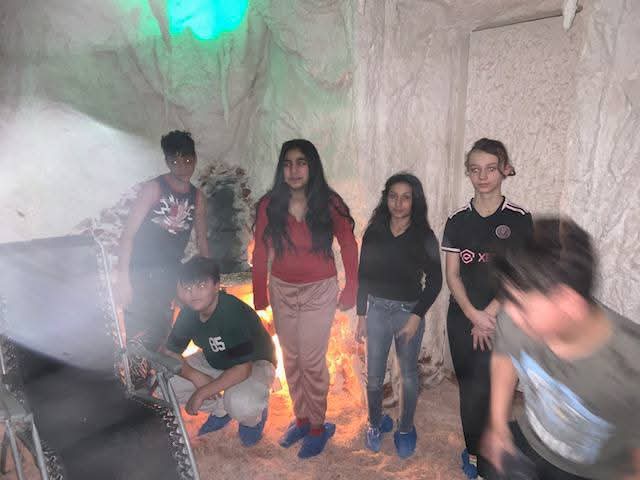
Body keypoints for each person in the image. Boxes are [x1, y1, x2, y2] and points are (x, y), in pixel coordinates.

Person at [482, 217, 640, 480]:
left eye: (520, 304)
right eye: (507, 297)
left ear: (568, 303)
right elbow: (505, 357)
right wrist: (498, 425)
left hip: (594, 472)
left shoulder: (631, 366)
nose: (508, 312)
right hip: (533, 441)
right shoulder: (514, 318)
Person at [251, 139, 358, 458]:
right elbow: (260, 250)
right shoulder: (269, 204)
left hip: (319, 290)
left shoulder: (330, 203)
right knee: (292, 358)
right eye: (287, 164)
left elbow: (348, 244)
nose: (294, 170)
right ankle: (301, 419)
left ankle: (318, 427)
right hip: (281, 289)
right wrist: (259, 296)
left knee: (311, 361)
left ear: (312, 166)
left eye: (301, 163)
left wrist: (351, 287)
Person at [442, 138, 533, 479]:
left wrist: (489, 314)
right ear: (467, 172)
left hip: (504, 317)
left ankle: (497, 446)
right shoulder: (456, 220)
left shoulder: (520, 219)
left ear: (505, 170)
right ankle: (473, 451)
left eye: (491, 169)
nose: (483, 177)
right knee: (470, 387)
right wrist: (472, 314)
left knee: (498, 388)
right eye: (475, 169)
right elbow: (452, 275)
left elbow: (520, 274)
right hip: (462, 316)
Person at [356, 173, 442, 458]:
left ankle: (405, 429)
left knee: (407, 376)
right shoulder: (374, 232)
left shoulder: (424, 237)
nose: (399, 203)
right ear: (386, 198)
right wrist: (361, 314)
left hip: (408, 312)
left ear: (415, 201)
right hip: (377, 311)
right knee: (373, 376)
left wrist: (417, 316)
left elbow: (435, 282)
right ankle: (374, 423)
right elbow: (364, 276)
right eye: (393, 196)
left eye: (406, 197)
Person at [162, 256, 277, 446]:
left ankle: (254, 417)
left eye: (201, 285)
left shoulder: (231, 312)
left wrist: (202, 392)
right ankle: (222, 410)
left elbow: (243, 369)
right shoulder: (189, 312)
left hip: (254, 362)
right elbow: (170, 353)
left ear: (217, 286)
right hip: (215, 358)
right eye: (188, 287)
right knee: (165, 383)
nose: (193, 293)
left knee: (242, 404)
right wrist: (195, 376)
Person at [116, 130, 209, 351]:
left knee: (162, 332)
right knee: (137, 333)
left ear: (195, 158)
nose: (183, 168)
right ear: (167, 161)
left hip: (169, 273)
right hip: (141, 271)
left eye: (188, 161)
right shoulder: (154, 189)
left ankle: (157, 370)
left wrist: (209, 276)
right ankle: (136, 371)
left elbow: (202, 238)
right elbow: (128, 235)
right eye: (175, 162)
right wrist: (123, 279)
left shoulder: (197, 196)